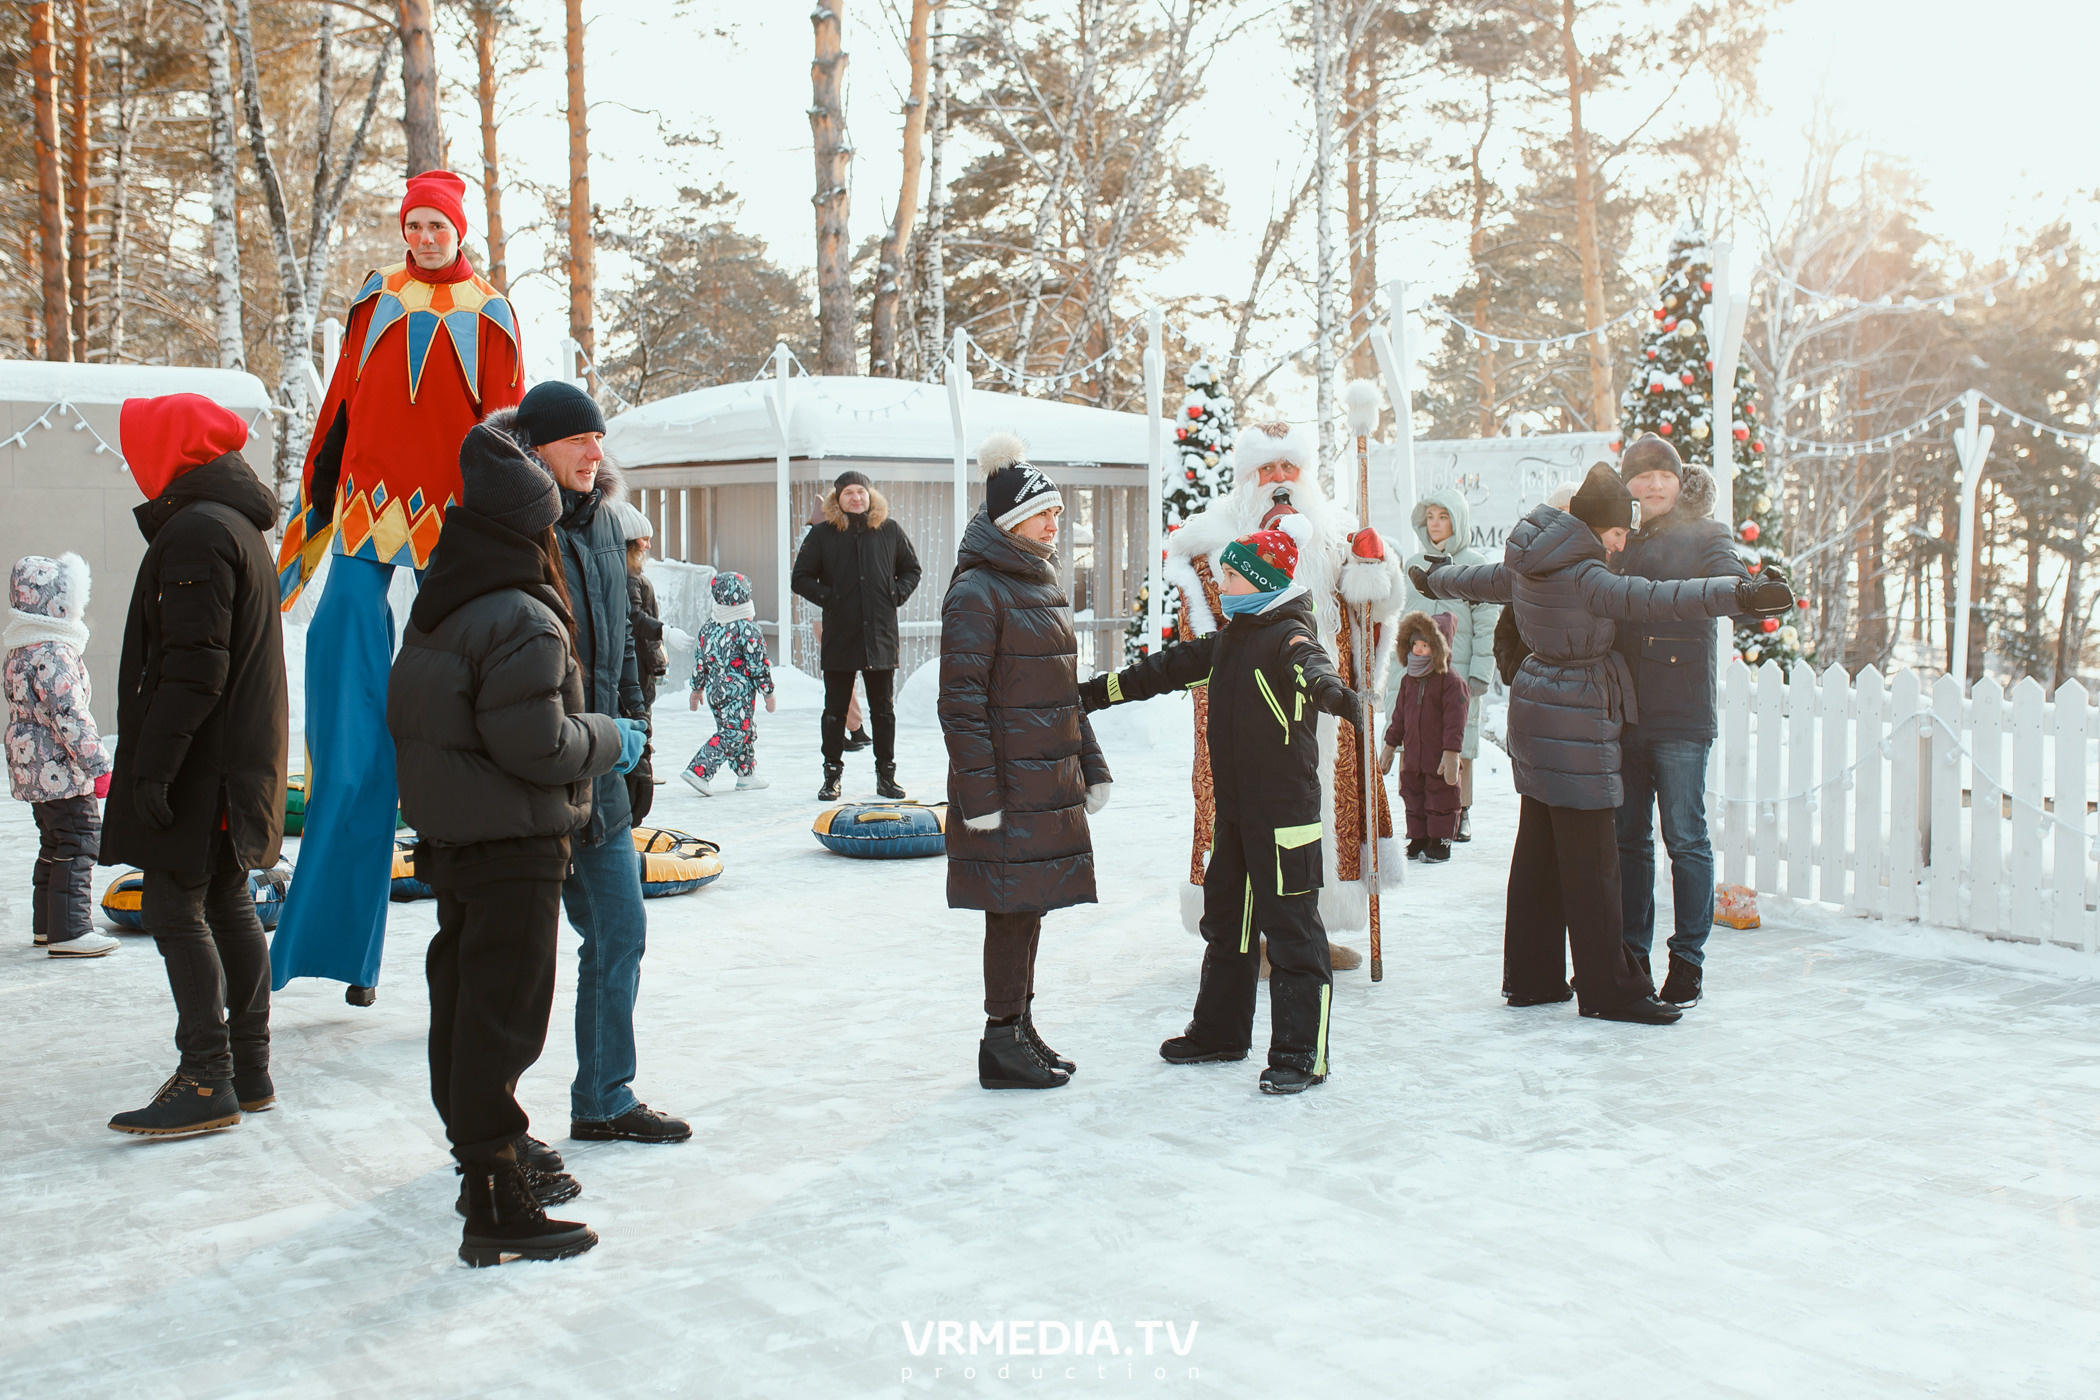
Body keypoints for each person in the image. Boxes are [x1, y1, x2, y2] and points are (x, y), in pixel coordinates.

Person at [1414, 464, 1793, 1026]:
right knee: (1596, 862)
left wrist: (1433, 578)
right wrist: (1742, 592)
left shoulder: (1529, 562)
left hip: (1536, 710)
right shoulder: (1588, 576)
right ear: (1598, 526)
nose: (1622, 544)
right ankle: (1610, 990)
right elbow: (1665, 598)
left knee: (1538, 852)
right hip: (1578, 719)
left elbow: (1478, 581)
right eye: (1619, 532)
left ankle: (1533, 978)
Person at [271, 170, 524, 1008]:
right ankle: (329, 946)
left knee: (447, 698)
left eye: (436, 225)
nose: (424, 237)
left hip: (448, 518)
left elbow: (507, 426)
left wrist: (507, 532)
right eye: (413, 224)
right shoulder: (376, 295)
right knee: (346, 737)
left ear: (459, 229)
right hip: (363, 508)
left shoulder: (490, 312)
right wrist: (317, 493)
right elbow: (341, 398)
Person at [388, 421, 634, 1267]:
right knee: (502, 1020)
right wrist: (610, 735)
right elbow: (540, 746)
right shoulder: (522, 617)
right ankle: (495, 1198)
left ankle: (482, 1166)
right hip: (513, 842)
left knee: (464, 1008)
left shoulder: (443, 603)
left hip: (458, 838)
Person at [1084, 522, 1365, 1094]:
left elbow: (1315, 671)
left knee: (1291, 931)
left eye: (1233, 576)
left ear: (1260, 581)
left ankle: (1300, 1054)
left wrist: (1335, 695)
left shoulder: (1290, 636)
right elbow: (1160, 671)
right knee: (1228, 924)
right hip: (1236, 813)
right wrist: (1091, 693)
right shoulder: (1231, 639)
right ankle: (1219, 1033)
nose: (1224, 586)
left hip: (1285, 816)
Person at [493, 382, 690, 1145]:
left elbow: (627, 653)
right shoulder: (509, 525)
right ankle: (494, 1126)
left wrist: (636, 747)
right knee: (515, 958)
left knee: (619, 932)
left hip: (600, 771)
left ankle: (604, 1097)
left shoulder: (608, 525)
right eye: (578, 439)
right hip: (528, 778)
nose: (593, 452)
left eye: (598, 440)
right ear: (536, 445)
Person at [102, 394, 288, 1134]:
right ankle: (248, 1068)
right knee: (225, 901)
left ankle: (209, 1075)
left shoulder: (196, 533)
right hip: (229, 757)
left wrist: (153, 767)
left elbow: (193, 668)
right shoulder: (232, 525)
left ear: (171, 450)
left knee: (173, 906)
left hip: (203, 763)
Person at [1157, 422, 1400, 963]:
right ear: (1247, 477)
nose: (1280, 479)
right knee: (1248, 822)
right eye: (1267, 469)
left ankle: (1310, 925)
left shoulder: (1336, 536)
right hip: (1251, 710)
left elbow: (1370, 620)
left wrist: (1371, 573)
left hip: (1324, 706)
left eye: (1289, 467)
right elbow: (1200, 632)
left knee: (1318, 813)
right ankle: (1252, 935)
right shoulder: (1213, 541)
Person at [940, 434, 1109, 1091]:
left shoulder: (1035, 582)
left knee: (1028, 905)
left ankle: (1018, 1025)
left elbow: (1062, 690)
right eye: (1045, 512)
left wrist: (1089, 765)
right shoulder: (978, 592)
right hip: (1007, 786)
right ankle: (999, 1038)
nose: (1056, 522)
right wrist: (979, 796)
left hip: (1044, 778)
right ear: (1012, 521)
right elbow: (961, 704)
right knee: (1010, 909)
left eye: (1058, 513)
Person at [1612, 433, 1748, 1008]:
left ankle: (1687, 960)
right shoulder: (1619, 540)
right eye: (1642, 475)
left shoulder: (1707, 534)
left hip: (1682, 714)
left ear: (1679, 478)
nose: (1655, 484)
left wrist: (1746, 589)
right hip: (1623, 713)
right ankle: (1631, 956)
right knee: (1628, 843)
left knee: (1685, 838)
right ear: (1630, 486)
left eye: (1663, 473)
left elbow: (1729, 579)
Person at [6, 553, 119, 957]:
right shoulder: (53, 652)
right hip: (60, 767)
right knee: (79, 839)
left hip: (35, 765)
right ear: (55, 603)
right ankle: (70, 931)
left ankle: (47, 926)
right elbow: (70, 715)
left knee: (54, 842)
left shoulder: (22, 648)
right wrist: (98, 766)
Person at [792, 469, 922, 801]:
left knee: (883, 711)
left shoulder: (888, 530)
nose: (856, 498)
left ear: (869, 495)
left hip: (880, 635)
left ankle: (886, 776)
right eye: (849, 493)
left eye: (860, 492)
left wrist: (895, 595)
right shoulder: (823, 534)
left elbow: (912, 569)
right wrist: (829, 598)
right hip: (841, 635)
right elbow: (801, 577)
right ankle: (831, 776)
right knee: (834, 711)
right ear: (838, 498)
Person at [1400, 488, 1499, 842]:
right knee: (1421, 744)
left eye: (1443, 517)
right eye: (1430, 517)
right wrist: (1400, 674)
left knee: (1461, 742)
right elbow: (1404, 621)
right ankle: (1424, 813)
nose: (1436, 524)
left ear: (1457, 520)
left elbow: (1489, 622)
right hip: (1419, 674)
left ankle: (1462, 810)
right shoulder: (1414, 562)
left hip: (1459, 674)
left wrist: (1481, 672)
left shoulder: (1474, 566)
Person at [1378, 611, 1469, 863]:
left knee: (1441, 797)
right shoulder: (1409, 680)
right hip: (1414, 757)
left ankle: (1440, 842)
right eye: (1415, 644)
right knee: (1413, 796)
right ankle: (1419, 837)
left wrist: (1451, 752)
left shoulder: (1450, 682)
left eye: (1425, 645)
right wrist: (1389, 745)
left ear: (1439, 648)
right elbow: (1399, 717)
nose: (1418, 650)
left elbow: (1455, 721)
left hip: (1438, 757)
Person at [683, 571, 775, 795]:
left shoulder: (709, 627)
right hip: (738, 693)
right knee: (733, 732)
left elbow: (701, 661)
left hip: (716, 692)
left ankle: (746, 774)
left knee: (744, 730)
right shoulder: (747, 629)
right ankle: (699, 770)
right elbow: (758, 665)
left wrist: (697, 688)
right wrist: (768, 692)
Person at [615, 503, 667, 825]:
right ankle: (639, 778)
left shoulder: (632, 576)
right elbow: (636, 621)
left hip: (639, 665)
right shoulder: (631, 578)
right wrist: (664, 634)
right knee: (640, 720)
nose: (647, 545)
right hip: (634, 668)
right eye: (642, 540)